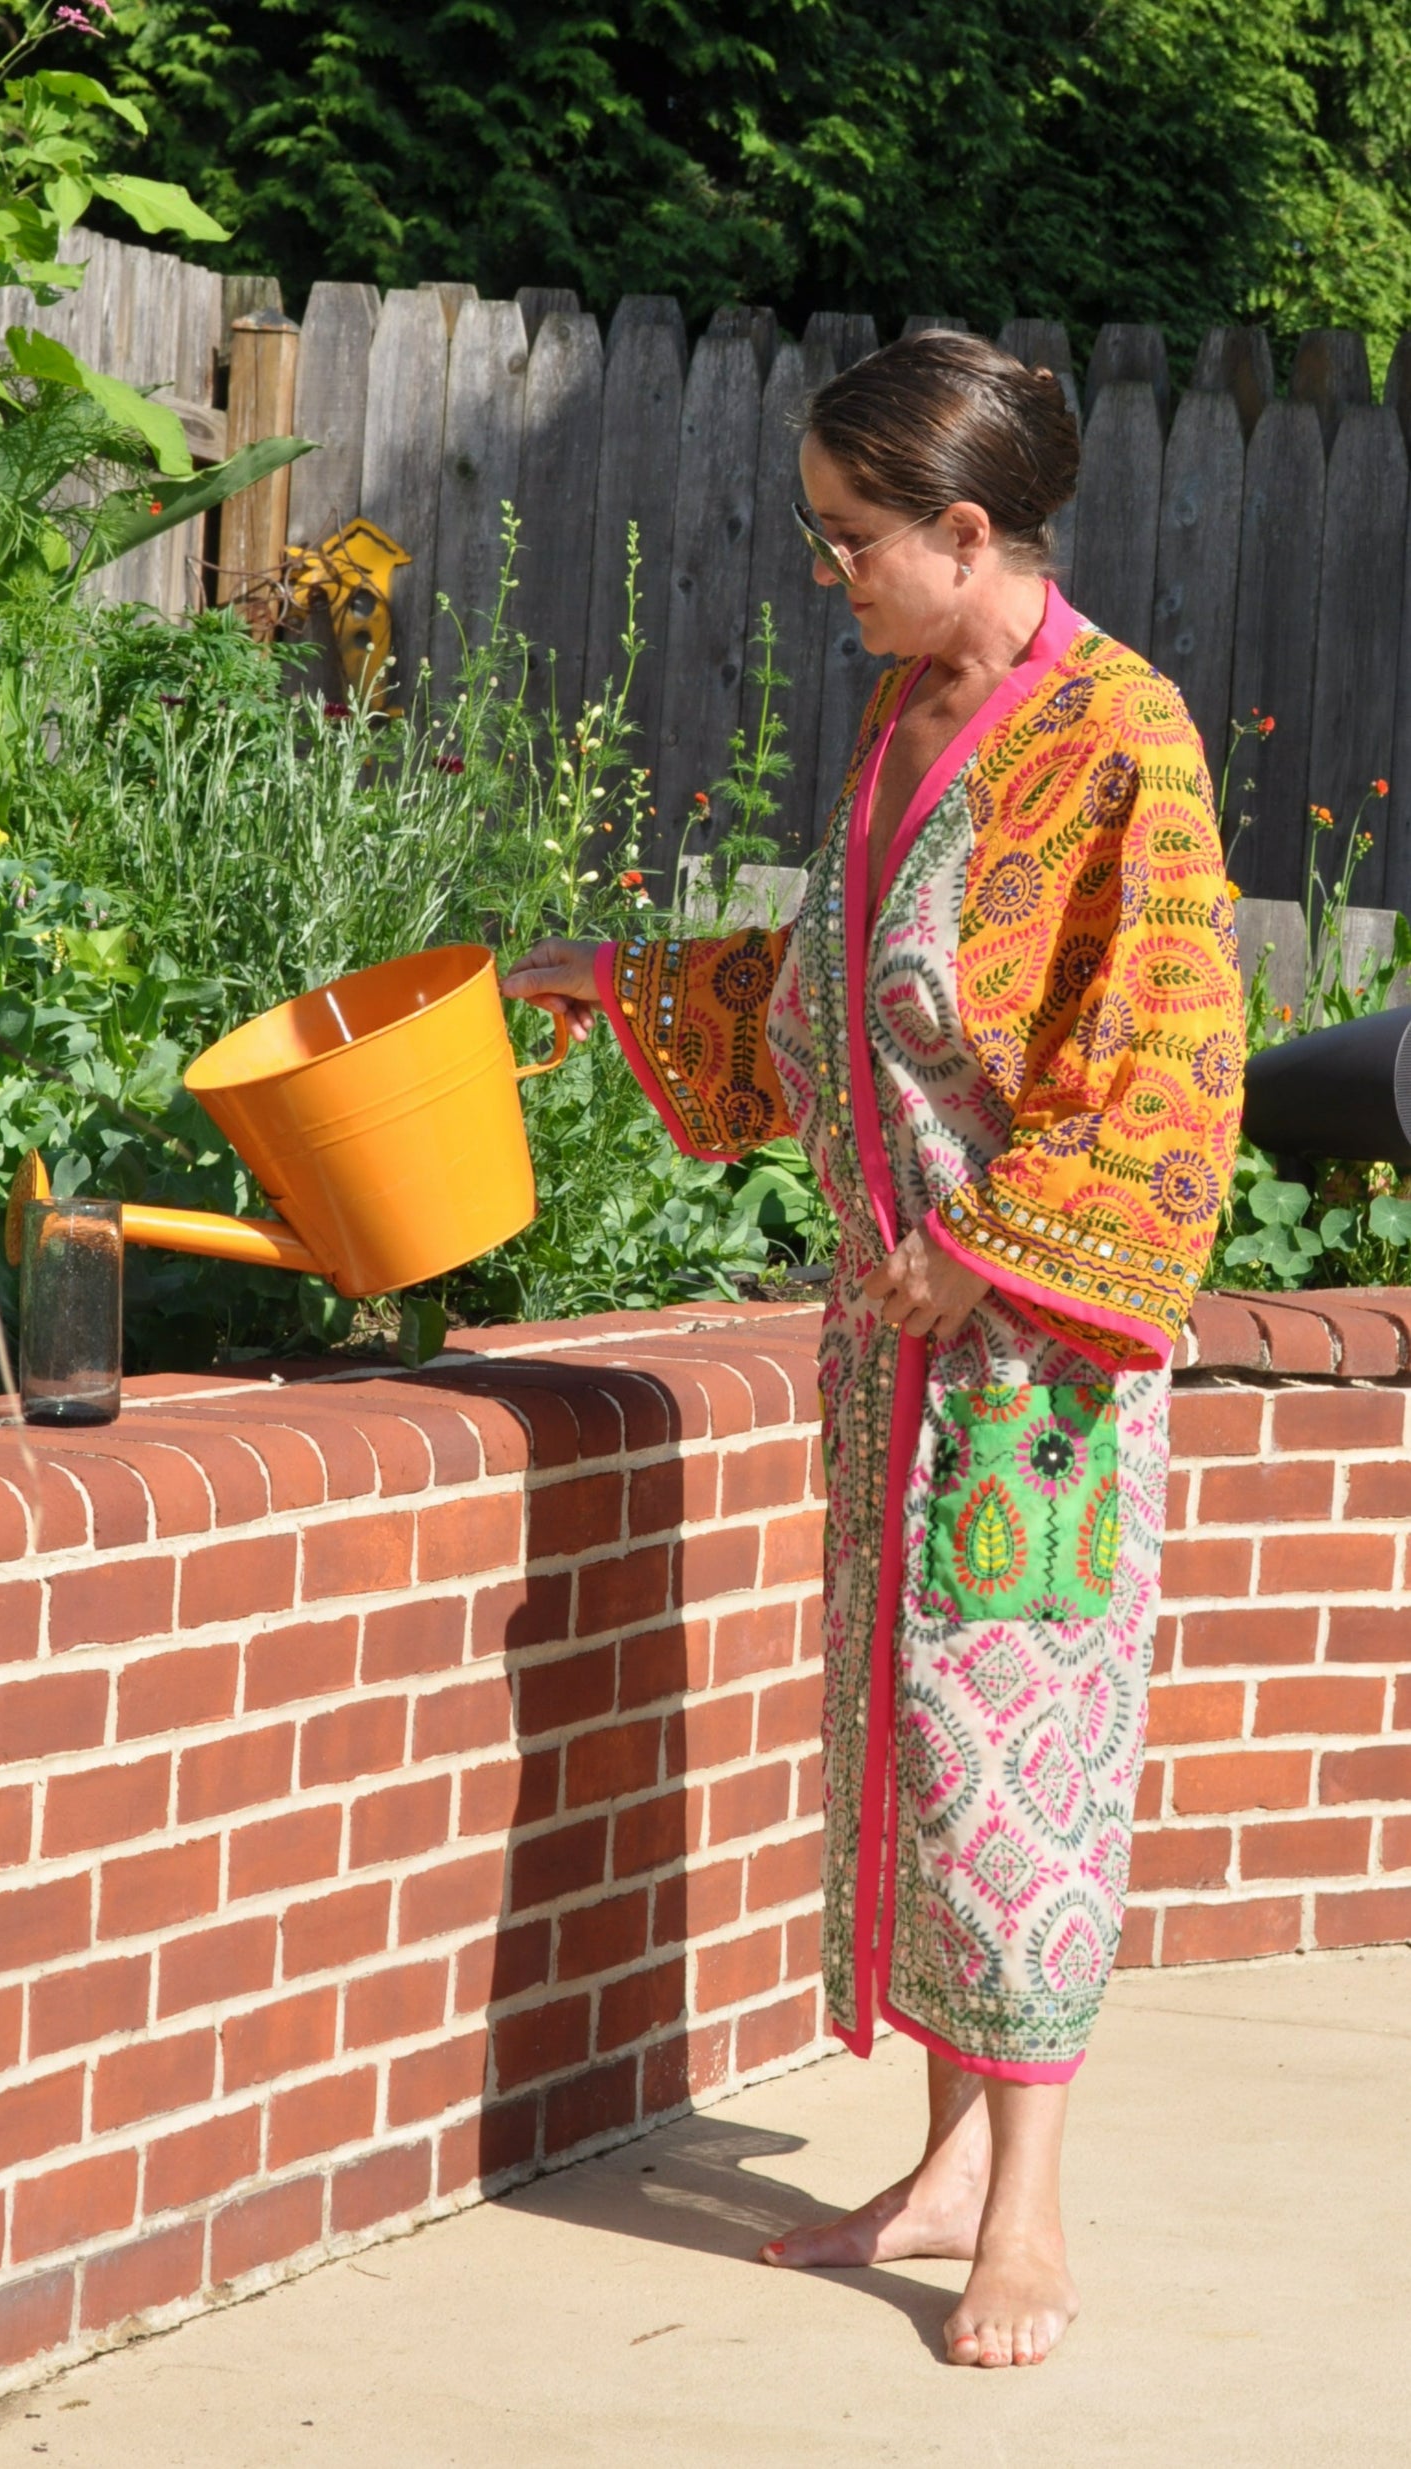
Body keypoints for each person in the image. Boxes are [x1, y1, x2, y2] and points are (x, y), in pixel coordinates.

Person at [502, 331, 1244, 2369]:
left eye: (851, 540)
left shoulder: (1122, 736)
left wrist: (985, 1257)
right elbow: (841, 990)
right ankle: (929, 2163)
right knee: (917, 1756)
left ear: (968, 531)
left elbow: (1168, 1067)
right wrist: (627, 982)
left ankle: (1029, 2210)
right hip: (886, 1358)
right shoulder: (910, 716)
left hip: (1035, 1381)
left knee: (1021, 1765)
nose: (825, 572)